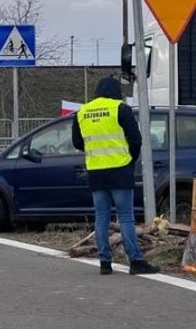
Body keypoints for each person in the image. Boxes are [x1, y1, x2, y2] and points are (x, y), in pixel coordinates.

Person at [71, 76, 161, 276]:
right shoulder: (120, 109)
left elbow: (78, 142)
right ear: (116, 92)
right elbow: (136, 140)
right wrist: (130, 159)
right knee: (126, 218)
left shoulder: (82, 112)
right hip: (120, 169)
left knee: (101, 218)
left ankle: (105, 262)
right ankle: (135, 261)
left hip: (96, 171)